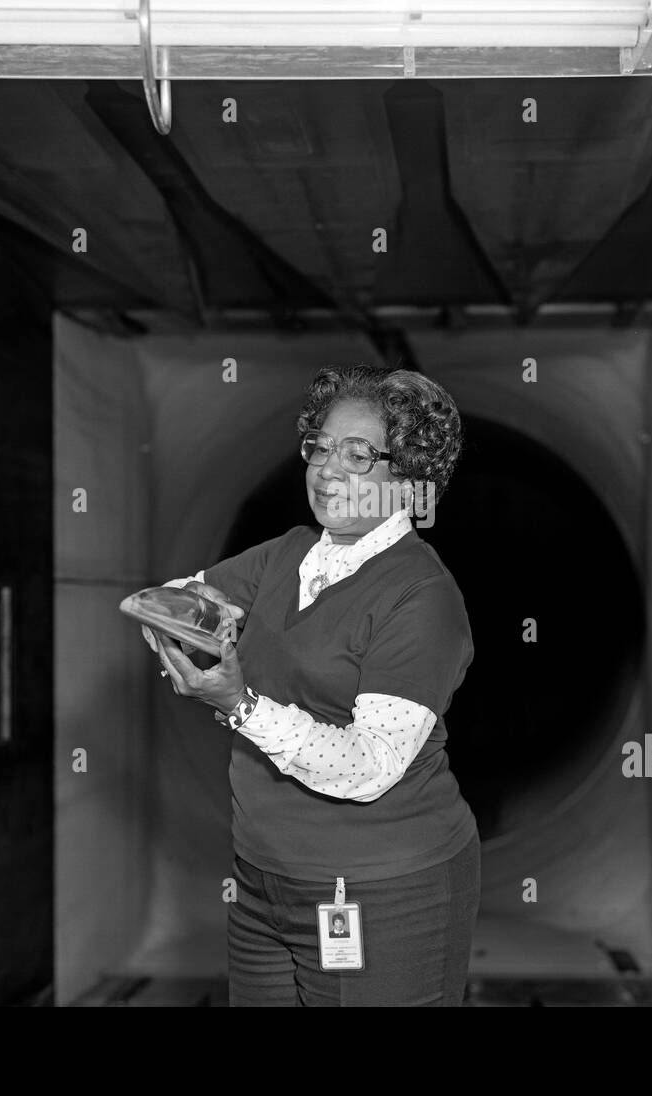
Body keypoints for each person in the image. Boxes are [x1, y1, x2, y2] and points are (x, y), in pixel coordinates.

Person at [144, 364, 478, 1007]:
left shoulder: (422, 597)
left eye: (357, 455)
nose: (328, 469)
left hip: (385, 890)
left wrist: (238, 703)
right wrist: (183, 617)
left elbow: (369, 765)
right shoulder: (288, 553)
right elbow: (181, 598)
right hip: (264, 881)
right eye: (320, 447)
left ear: (408, 478)